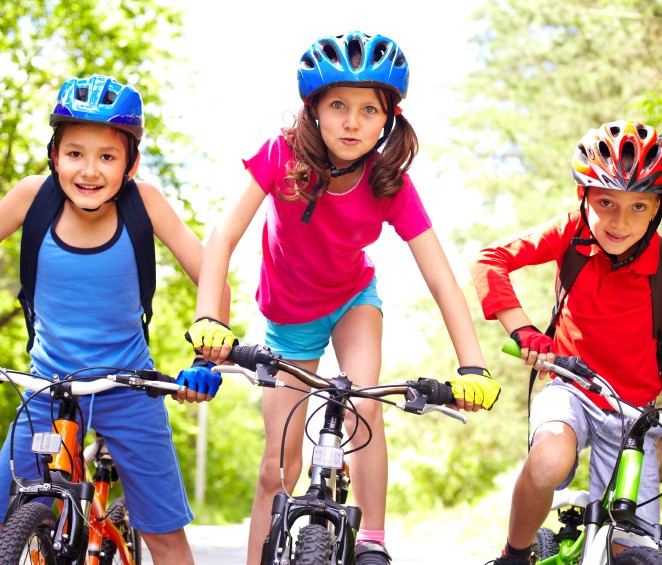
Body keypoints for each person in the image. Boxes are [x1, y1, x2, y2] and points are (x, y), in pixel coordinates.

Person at [184, 31, 500, 565]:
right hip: (287, 316)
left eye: (368, 110)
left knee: (364, 405)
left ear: (388, 119)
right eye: (337, 105)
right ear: (313, 110)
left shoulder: (388, 181)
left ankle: (373, 540)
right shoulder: (282, 154)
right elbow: (221, 238)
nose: (352, 122)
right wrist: (208, 319)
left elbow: (441, 277)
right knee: (276, 466)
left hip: (353, 299)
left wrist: (472, 365)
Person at [0, 74, 224, 564]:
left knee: (165, 536)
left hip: (130, 389)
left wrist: (207, 357)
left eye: (107, 156)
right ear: (54, 155)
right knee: (3, 511)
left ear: (131, 164)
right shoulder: (31, 197)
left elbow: (211, 273)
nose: (89, 170)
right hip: (46, 388)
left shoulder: (145, 205)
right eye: (75, 153)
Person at [471, 120, 662, 564]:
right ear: (583, 197)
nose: (620, 223)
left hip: (634, 416)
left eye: (638, 206)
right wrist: (523, 330)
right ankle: (515, 553)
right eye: (606, 202)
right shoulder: (570, 234)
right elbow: (491, 260)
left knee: (633, 549)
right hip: (573, 388)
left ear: (658, 207)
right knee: (549, 460)